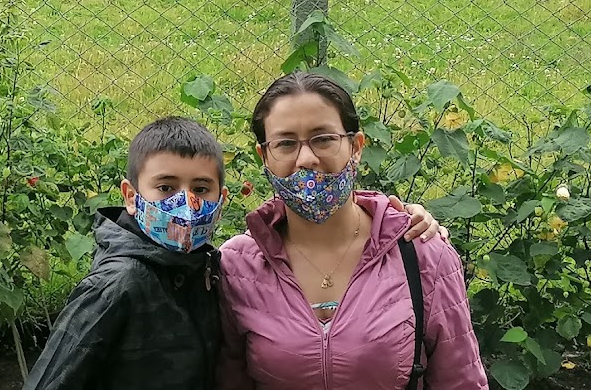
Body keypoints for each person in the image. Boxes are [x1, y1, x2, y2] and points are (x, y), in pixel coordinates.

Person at [23, 115, 443, 390]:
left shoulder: (210, 268)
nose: (186, 203)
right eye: (166, 188)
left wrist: (392, 215)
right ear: (132, 196)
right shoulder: (118, 285)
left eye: (201, 188)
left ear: (221, 200)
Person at [217, 72, 488, 389]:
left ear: (356, 147)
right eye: (286, 143)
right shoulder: (237, 267)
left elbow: (460, 381)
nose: (306, 159)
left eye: (323, 139)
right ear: (264, 156)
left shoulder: (421, 254)